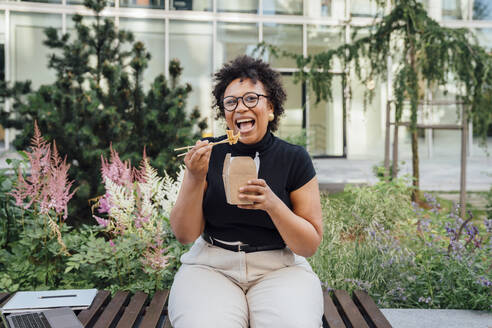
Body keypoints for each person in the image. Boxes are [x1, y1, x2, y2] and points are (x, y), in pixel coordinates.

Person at [168, 55, 324, 328]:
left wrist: (273, 205)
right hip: (211, 267)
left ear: (271, 107)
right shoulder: (209, 152)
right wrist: (194, 177)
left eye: (251, 98)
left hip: (280, 268)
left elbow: (309, 245)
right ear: (224, 111)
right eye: (231, 102)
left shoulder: (294, 158)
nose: (240, 107)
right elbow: (184, 234)